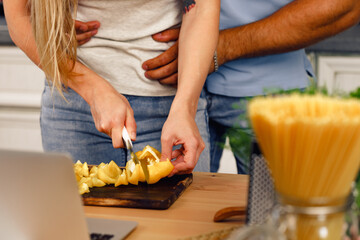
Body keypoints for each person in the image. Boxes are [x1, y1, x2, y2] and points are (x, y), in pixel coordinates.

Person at [140, 0, 360, 174]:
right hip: (160, 90)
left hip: (270, 89)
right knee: (178, 219)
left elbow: (346, 5)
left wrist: (223, 45)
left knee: (277, 220)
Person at [3, 0, 220, 176]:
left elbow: (203, 7)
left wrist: (185, 108)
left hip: (173, 107)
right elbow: (20, 15)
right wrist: (92, 89)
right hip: (72, 108)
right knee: (79, 228)